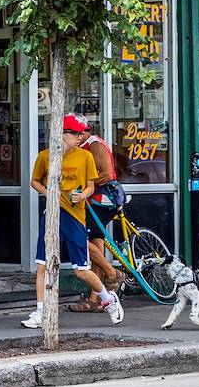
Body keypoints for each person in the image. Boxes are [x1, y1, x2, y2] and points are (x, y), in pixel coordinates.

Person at [24, 121, 124, 327]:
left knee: (81, 270)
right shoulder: (45, 156)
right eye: (76, 134)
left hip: (75, 216)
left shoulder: (85, 156)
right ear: (62, 134)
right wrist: (48, 193)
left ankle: (108, 299)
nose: (80, 138)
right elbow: (34, 181)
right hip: (51, 215)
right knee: (42, 266)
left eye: (81, 134)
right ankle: (40, 312)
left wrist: (82, 195)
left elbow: (90, 186)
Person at [65, 114, 125, 313]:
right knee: (96, 248)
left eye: (70, 133)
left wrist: (83, 185)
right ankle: (95, 299)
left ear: (81, 134)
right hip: (89, 199)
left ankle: (112, 272)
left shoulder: (95, 144)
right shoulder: (77, 148)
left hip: (103, 198)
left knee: (80, 237)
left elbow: (107, 174)